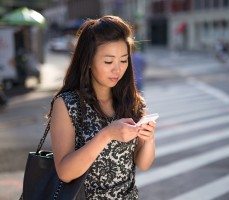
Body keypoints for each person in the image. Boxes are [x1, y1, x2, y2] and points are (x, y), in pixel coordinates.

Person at [49, 16, 156, 199]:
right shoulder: (67, 104)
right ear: (89, 60)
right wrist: (106, 135)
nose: (118, 70)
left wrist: (149, 139)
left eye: (123, 60)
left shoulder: (132, 101)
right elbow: (65, 173)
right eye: (108, 62)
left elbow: (143, 164)